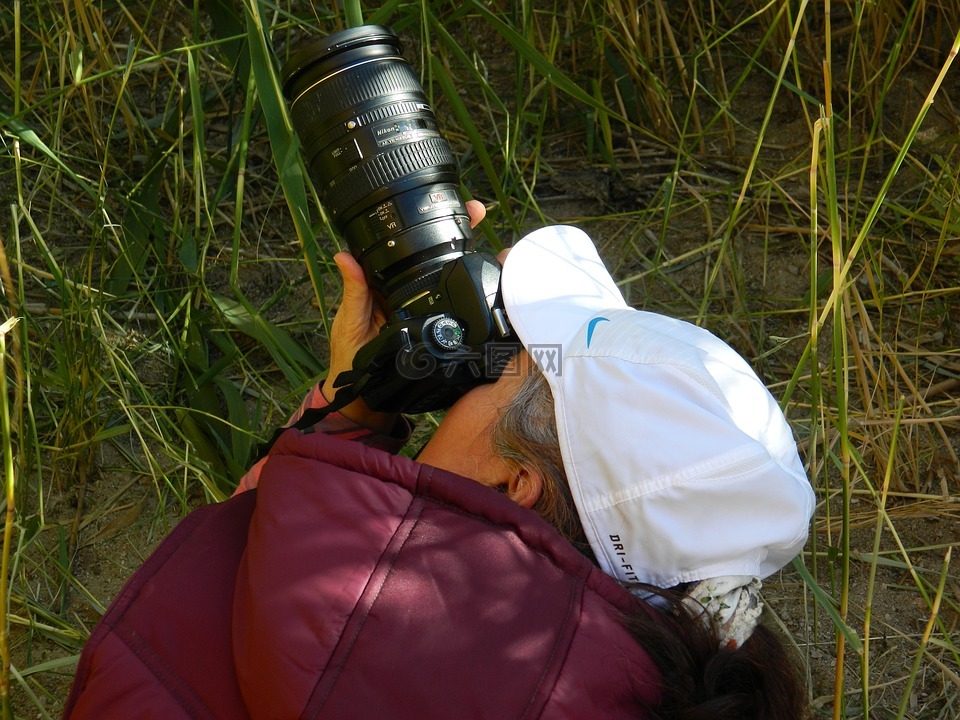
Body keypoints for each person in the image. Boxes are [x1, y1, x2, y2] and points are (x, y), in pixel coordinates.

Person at [63, 202, 815, 719]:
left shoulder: (331, 609)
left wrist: (350, 410)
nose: (470, 371)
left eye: (501, 366)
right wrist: (352, 403)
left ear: (515, 483)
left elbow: (227, 603)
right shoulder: (669, 680)